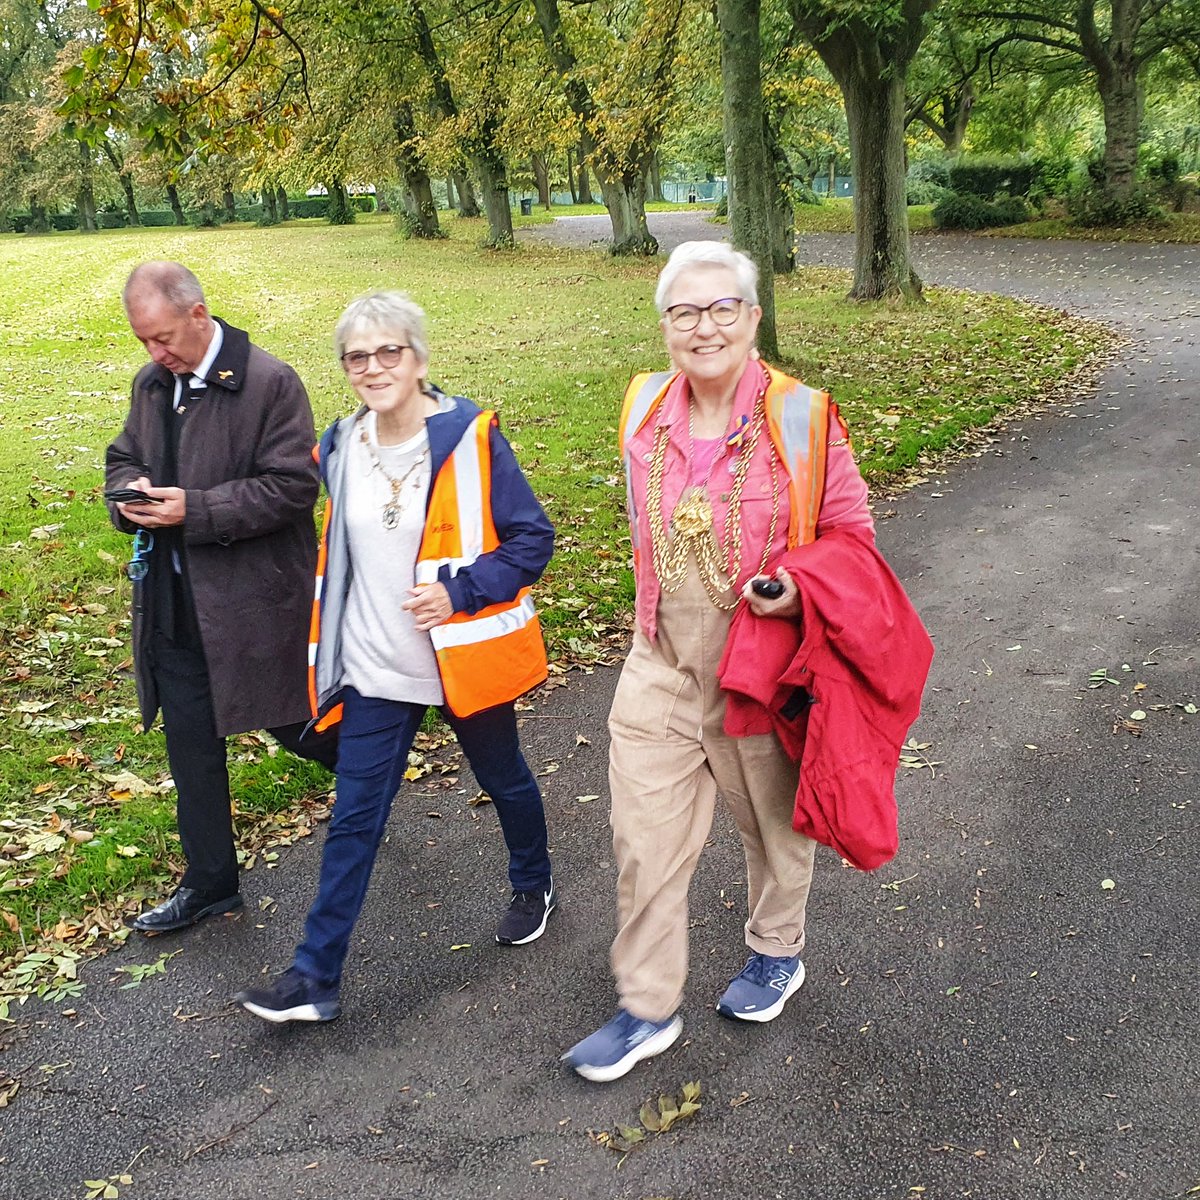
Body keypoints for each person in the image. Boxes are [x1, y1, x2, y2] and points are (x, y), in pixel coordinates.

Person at [562, 241, 879, 1082]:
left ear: (753, 315)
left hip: (760, 663)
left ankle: (777, 950)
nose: (704, 327)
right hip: (660, 656)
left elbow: (855, 539)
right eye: (684, 312)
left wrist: (797, 591)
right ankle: (646, 1007)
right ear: (664, 325)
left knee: (772, 824)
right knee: (645, 837)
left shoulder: (802, 417)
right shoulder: (640, 411)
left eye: (721, 308)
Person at [235, 290, 556, 1024]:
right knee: (354, 818)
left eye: (389, 352)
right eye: (358, 356)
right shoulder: (341, 445)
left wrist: (461, 592)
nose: (374, 367)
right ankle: (313, 979)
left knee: (503, 778)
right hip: (376, 665)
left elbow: (532, 540)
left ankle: (533, 881)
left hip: (457, 658)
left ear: (418, 359)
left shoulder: (470, 437)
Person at [106, 262, 338, 934]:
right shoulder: (152, 384)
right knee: (192, 750)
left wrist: (196, 511)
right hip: (174, 606)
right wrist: (131, 499)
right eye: (144, 340)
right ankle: (211, 885)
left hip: (251, 606)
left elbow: (294, 488)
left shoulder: (270, 382)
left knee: (292, 724)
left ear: (199, 314)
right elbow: (121, 458)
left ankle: (367, 783)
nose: (155, 353)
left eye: (163, 337)